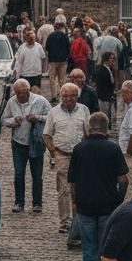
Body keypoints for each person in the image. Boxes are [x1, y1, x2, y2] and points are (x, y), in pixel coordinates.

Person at [69, 112, 128, 261]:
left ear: (89, 127)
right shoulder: (113, 149)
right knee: (106, 250)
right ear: (107, 128)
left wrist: (75, 201)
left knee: (89, 249)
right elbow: (123, 179)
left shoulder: (79, 149)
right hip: (107, 206)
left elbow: (72, 181)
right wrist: (119, 200)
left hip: (85, 206)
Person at [44, 83, 90, 236]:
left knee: (79, 188)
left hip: (81, 157)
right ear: (60, 96)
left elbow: (88, 133)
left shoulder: (84, 110)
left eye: (72, 96)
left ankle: (79, 219)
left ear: (77, 96)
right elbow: (47, 135)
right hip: (62, 155)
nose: (69, 99)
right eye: (65, 96)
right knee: (63, 189)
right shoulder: (53, 113)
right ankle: (65, 220)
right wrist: (53, 152)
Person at [2, 78, 51, 212]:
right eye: (19, 93)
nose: (22, 96)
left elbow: (52, 116)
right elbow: (4, 120)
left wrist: (38, 118)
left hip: (35, 142)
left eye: (24, 93)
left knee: (37, 175)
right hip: (18, 143)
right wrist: (13, 120)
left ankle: (37, 203)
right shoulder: (12, 102)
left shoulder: (40, 101)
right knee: (19, 175)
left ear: (29, 91)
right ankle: (19, 203)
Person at [12, 27, 47, 93]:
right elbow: (19, 63)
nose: (31, 36)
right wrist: (17, 76)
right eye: (28, 35)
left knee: (36, 94)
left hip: (36, 75)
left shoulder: (38, 47)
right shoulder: (22, 48)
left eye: (32, 34)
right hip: (25, 75)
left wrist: (43, 70)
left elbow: (43, 59)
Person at [44, 18, 70, 102]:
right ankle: (63, 94)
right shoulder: (64, 36)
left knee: (52, 79)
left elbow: (47, 49)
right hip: (63, 60)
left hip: (52, 60)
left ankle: (53, 96)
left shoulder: (50, 36)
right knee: (62, 79)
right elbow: (68, 48)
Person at [95, 50, 118, 126]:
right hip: (103, 98)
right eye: (111, 58)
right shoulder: (102, 70)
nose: (113, 61)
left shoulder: (109, 70)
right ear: (106, 60)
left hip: (107, 98)